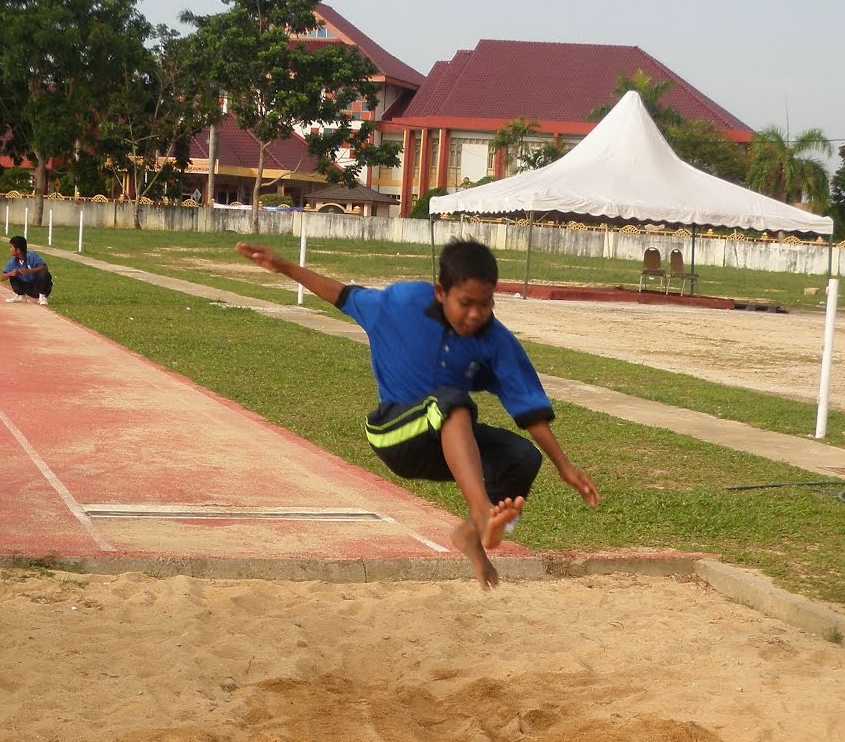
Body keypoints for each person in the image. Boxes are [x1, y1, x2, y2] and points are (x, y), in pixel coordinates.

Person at [235, 235, 600, 588]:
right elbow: (343, 296)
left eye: (486, 304)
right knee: (453, 403)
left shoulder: (495, 341)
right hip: (393, 433)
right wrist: (283, 266)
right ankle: (482, 513)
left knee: (522, 457)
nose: (476, 314)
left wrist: (565, 467)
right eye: (466, 302)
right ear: (441, 293)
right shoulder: (401, 303)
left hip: (445, 446)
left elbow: (529, 409)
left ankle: (472, 535)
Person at [1, 236, 53, 305]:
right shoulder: (13, 261)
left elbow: (45, 267)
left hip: (39, 286)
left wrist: (29, 271)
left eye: (11, 247)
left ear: (18, 250)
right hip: (28, 288)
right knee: (13, 276)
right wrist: (9, 274)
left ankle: (42, 297)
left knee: (44, 273)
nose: (10, 249)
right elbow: (2, 277)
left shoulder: (31, 256)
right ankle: (21, 296)